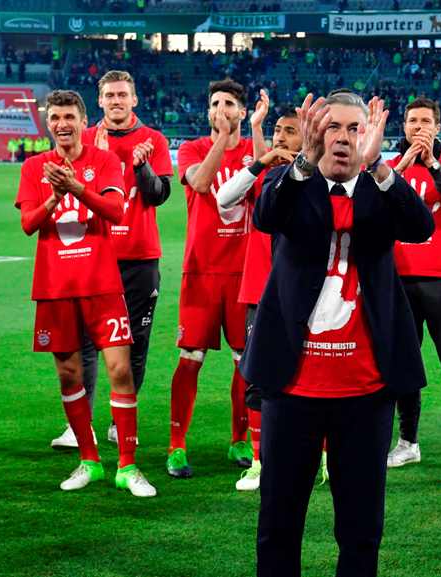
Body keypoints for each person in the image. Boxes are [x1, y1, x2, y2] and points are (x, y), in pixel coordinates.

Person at [243, 90, 433, 577]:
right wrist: (304, 160)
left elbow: (421, 226)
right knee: (279, 525)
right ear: (315, 132)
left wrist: (382, 169)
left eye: (354, 128)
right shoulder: (294, 183)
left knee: (361, 530)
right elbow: (265, 214)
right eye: (334, 128)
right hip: (292, 387)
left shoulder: (379, 189)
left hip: (365, 391)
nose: (344, 139)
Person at [15, 89, 155, 498]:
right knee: (68, 373)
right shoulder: (34, 167)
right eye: (55, 117)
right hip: (55, 287)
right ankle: (90, 460)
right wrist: (55, 196)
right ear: (49, 122)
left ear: (82, 119)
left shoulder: (105, 161)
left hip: (101, 283)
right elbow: (28, 224)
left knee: (120, 370)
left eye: (69, 117)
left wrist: (75, 187)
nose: (62, 125)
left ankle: (128, 466)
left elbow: (115, 212)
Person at [50, 70, 173, 450]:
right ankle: (79, 425)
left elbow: (157, 195)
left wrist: (142, 167)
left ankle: (123, 420)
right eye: (110, 95)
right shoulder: (84, 139)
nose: (117, 101)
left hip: (137, 256)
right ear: (99, 101)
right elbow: (59, 184)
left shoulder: (153, 140)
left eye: (123, 94)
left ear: (134, 99)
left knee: (134, 342)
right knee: (84, 343)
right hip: (89, 255)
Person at [214, 93, 303, 491]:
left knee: (310, 375)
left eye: (290, 131)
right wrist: (260, 158)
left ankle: (317, 455)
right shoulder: (262, 175)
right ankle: (259, 462)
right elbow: (223, 197)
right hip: (259, 291)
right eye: (278, 130)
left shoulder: (319, 177)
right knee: (258, 378)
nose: (281, 137)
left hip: (304, 293)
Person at [168, 78, 253, 478]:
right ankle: (177, 445)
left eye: (229, 103)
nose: (221, 108)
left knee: (245, 360)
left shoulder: (256, 152)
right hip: (200, 270)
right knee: (190, 358)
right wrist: (221, 138)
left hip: (244, 273)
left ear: (243, 112)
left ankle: (240, 439)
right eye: (215, 103)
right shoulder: (192, 149)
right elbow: (201, 182)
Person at [385, 97, 441, 469]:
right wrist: (406, 164)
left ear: (438, 127)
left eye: (425, 121)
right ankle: (407, 442)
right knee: (403, 363)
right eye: (412, 121)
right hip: (397, 281)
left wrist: (432, 162)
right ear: (403, 127)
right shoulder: (390, 167)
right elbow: (373, 200)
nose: (418, 127)